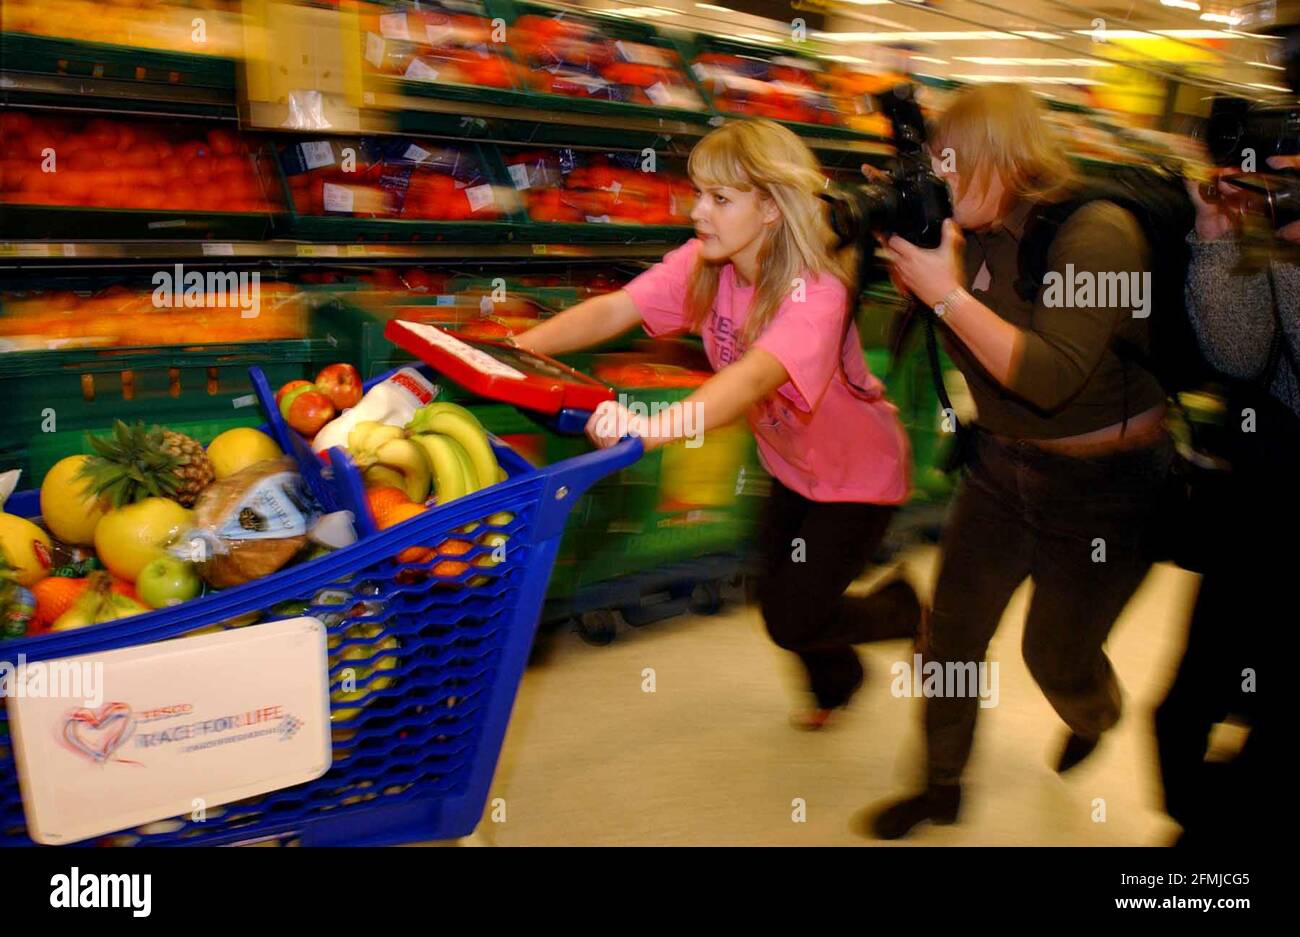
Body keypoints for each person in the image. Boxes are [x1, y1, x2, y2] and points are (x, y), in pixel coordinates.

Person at [515, 119, 921, 726]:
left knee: (792, 616)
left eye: (720, 198)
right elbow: (615, 309)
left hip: (857, 478)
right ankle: (837, 687)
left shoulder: (817, 294)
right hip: (789, 465)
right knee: (777, 597)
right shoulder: (711, 263)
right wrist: (517, 351)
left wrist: (653, 426)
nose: (698, 211)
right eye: (699, 193)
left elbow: (752, 379)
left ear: (772, 210)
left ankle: (904, 613)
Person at [864, 83, 1174, 839]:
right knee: (951, 636)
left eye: (952, 164)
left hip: (1107, 489)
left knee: (1055, 654)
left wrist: (943, 293)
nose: (938, 181)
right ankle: (941, 784)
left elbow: (1047, 377)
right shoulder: (969, 230)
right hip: (1001, 471)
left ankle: (1093, 710)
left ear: (1004, 157)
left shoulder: (1101, 233)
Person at [1153, 152, 1300, 845]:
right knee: (1180, 715)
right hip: (1255, 532)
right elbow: (1239, 354)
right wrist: (1215, 231)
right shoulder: (1270, 261)